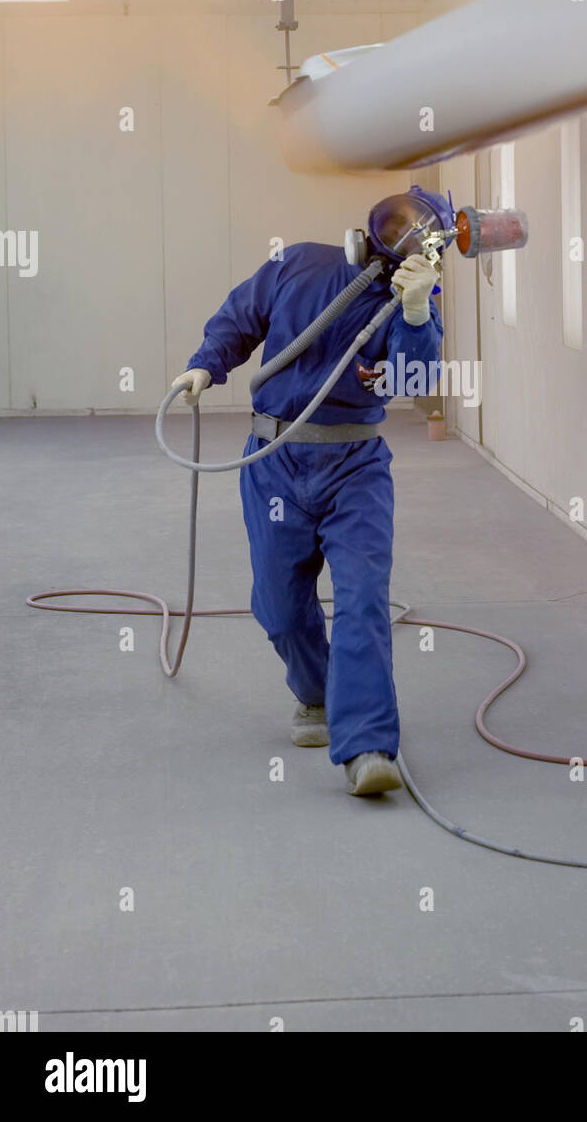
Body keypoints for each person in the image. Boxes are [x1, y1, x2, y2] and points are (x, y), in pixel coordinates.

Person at [171, 205, 442, 797]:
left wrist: (418, 312)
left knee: (363, 596)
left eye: (421, 234)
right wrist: (204, 367)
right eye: (399, 225)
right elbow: (240, 315)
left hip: (356, 468)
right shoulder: (297, 263)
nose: (403, 238)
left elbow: (416, 387)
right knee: (279, 605)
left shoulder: (406, 303)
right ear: (369, 229)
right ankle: (317, 693)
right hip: (275, 462)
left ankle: (368, 745)